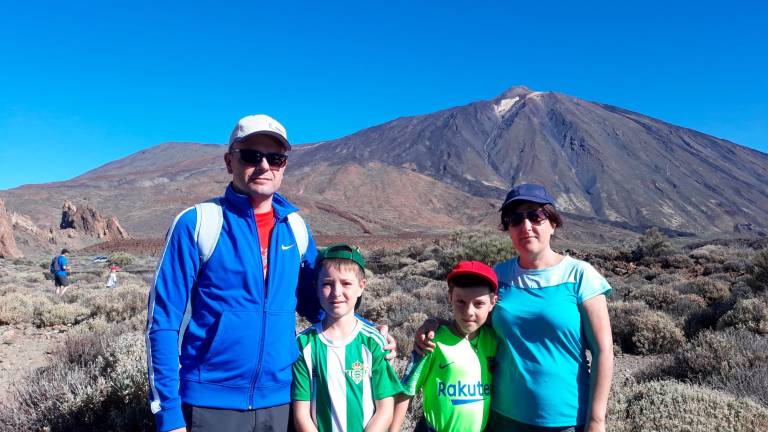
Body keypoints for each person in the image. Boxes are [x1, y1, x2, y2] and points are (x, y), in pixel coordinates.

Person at [146, 115, 400, 432]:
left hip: (282, 402)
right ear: (229, 161)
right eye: (252, 155)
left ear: (284, 165)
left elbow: (320, 302)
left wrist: (370, 333)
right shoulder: (198, 224)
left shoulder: (295, 228)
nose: (264, 165)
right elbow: (163, 323)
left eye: (275, 158)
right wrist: (168, 414)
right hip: (210, 403)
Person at [417, 183, 613, 432]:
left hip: (566, 419)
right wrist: (435, 325)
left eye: (535, 216)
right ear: (508, 228)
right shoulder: (499, 275)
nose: (526, 226)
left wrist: (596, 421)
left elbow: (603, 351)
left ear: (552, 223)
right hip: (502, 417)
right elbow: (473, 325)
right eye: (516, 219)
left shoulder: (580, 275)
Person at [292, 243, 403, 432]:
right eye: (327, 284)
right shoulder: (304, 344)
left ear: (361, 287)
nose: (336, 292)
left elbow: (385, 408)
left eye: (346, 283)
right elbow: (301, 413)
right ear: (316, 288)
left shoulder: (374, 343)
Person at [391, 261, 499, 432]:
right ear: (450, 297)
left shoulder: (494, 340)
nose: (469, 311)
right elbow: (407, 390)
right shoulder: (432, 341)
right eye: (461, 302)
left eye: (479, 304)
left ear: (493, 302)